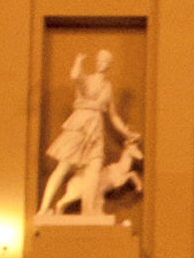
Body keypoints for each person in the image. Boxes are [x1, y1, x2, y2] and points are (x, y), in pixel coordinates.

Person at [37, 49, 141, 221]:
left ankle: (89, 210)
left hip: (96, 130)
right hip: (79, 126)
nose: (103, 63)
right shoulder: (87, 79)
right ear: (97, 61)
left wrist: (126, 132)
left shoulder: (108, 86)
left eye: (107, 61)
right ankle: (43, 209)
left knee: (94, 169)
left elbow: (113, 115)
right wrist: (78, 61)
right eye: (101, 60)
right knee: (63, 167)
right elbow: (75, 77)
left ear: (109, 65)